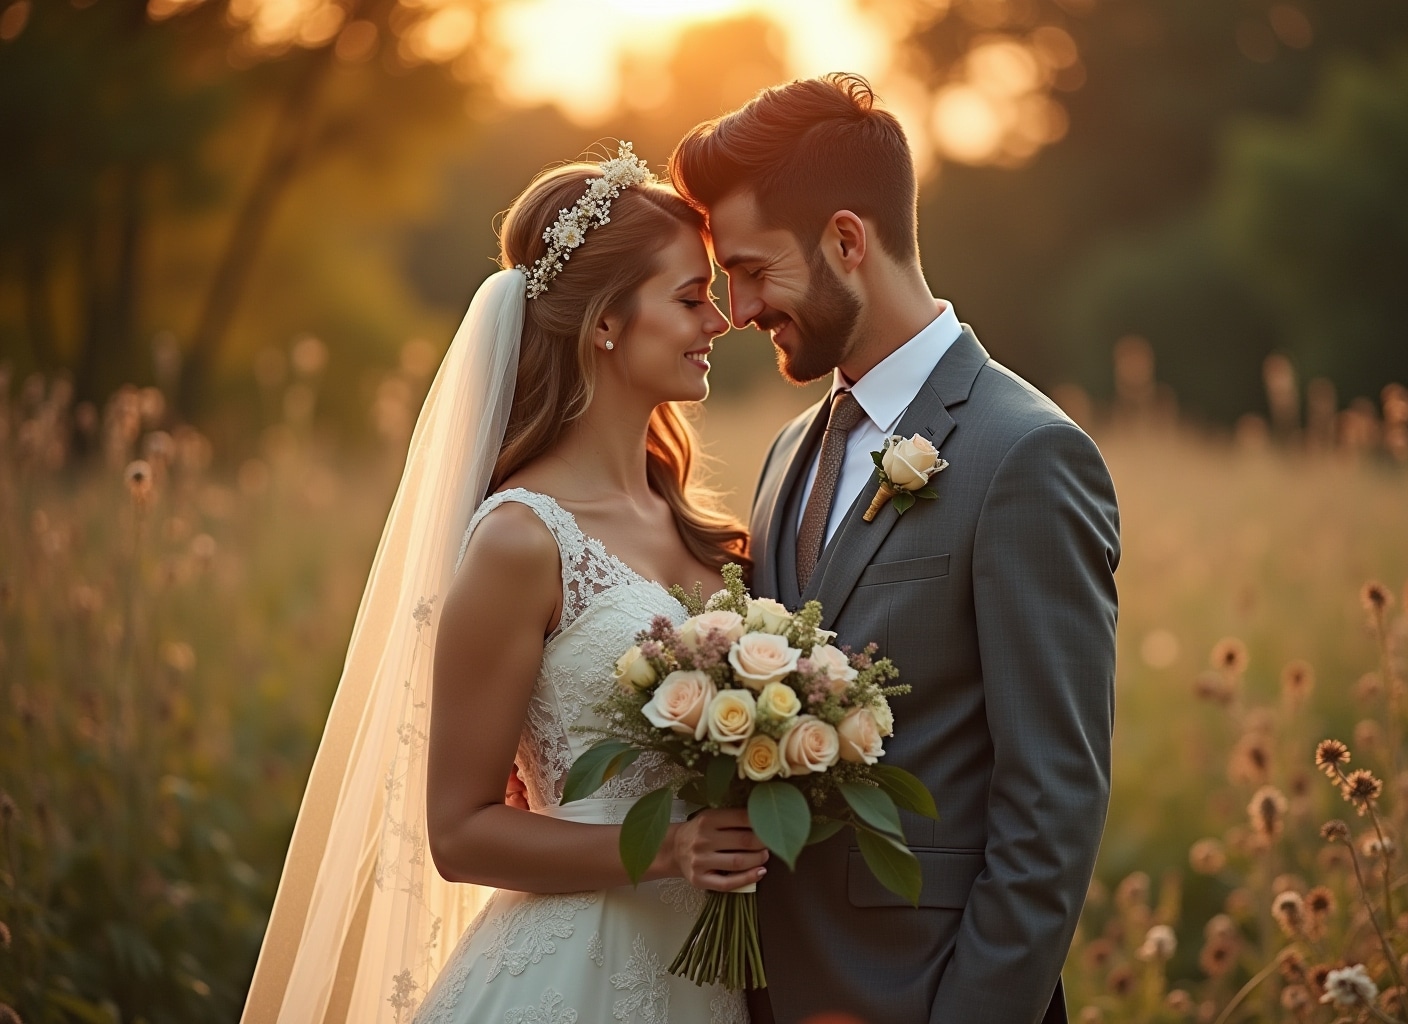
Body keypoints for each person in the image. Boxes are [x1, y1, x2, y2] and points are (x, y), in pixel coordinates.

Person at [239, 143, 765, 1024]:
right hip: (576, 974)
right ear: (605, 321)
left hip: (710, 975)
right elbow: (460, 832)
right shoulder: (523, 540)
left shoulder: (703, 528)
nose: (718, 321)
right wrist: (671, 850)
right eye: (688, 298)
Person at [669, 74, 1122, 1024]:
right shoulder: (791, 448)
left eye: (753, 269)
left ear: (846, 240)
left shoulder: (1026, 454)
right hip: (771, 993)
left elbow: (1052, 809)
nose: (740, 309)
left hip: (925, 994)